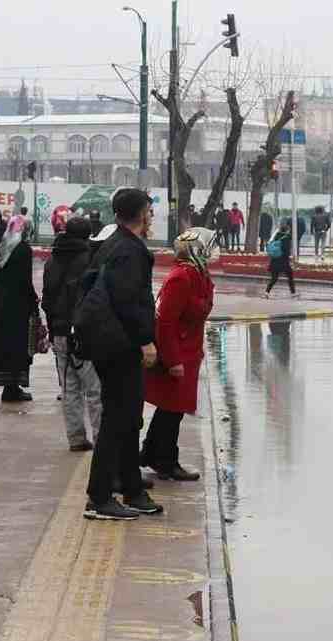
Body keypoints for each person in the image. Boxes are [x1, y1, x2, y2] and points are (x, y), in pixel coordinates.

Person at [83, 188, 164, 521]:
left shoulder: (112, 244)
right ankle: (99, 497)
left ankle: (132, 489)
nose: (152, 217)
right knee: (118, 420)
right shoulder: (130, 251)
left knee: (129, 418)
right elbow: (130, 302)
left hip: (109, 344)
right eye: (150, 211)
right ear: (142, 213)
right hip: (120, 346)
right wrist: (146, 340)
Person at [141, 229, 215, 481]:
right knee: (172, 408)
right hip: (177, 354)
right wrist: (172, 361)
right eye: (208, 246)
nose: (212, 251)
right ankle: (165, 461)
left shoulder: (199, 274)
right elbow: (166, 322)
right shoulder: (180, 278)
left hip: (190, 352)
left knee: (173, 408)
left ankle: (152, 453)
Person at [42, 217, 101, 451]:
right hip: (82, 333)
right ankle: (100, 439)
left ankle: (76, 437)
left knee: (69, 389)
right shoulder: (89, 260)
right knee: (95, 390)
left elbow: (47, 298)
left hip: (59, 331)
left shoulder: (52, 259)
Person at [0, 214, 40, 402]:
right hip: (18, 304)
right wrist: (33, 301)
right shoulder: (23, 249)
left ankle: (8, 386)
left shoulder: (3, 247)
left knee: (5, 344)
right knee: (18, 345)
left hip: (2, 303)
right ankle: (13, 388)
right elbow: (24, 280)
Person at [264, 219, 298, 298]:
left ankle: (267, 292)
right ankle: (293, 293)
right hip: (283, 261)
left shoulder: (277, 235)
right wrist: (289, 256)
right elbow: (286, 250)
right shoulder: (287, 237)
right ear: (288, 228)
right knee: (290, 276)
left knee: (274, 278)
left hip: (275, 260)